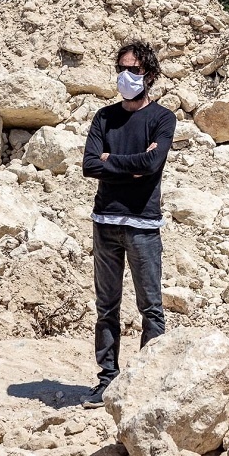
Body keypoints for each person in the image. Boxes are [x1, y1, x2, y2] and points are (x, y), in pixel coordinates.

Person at [80, 41, 175, 409]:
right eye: (121, 68)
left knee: (150, 307)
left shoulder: (162, 118)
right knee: (106, 307)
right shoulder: (104, 117)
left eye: (132, 69)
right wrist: (131, 164)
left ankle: (149, 383)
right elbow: (90, 165)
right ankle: (107, 379)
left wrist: (112, 159)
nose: (125, 75)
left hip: (143, 225)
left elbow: (152, 165)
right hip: (104, 222)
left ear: (148, 74)